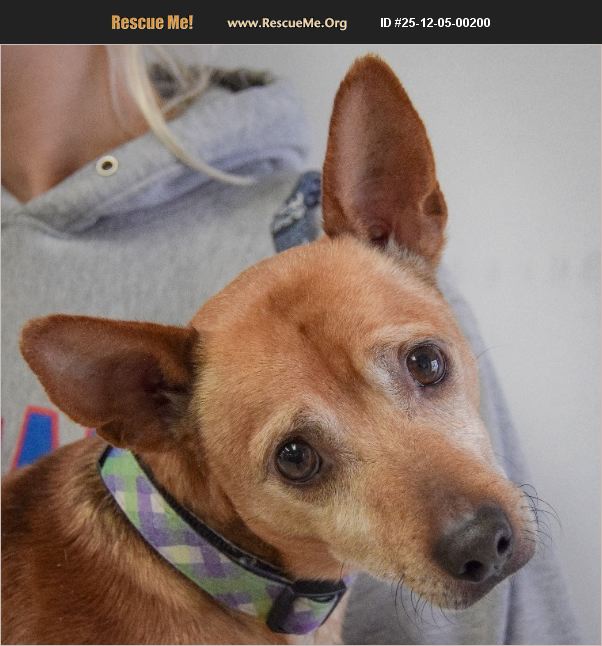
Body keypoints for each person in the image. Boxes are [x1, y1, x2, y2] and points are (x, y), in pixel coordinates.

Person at [1, 45, 581, 644]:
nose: (468, 529)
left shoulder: (362, 261)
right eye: (300, 458)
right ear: (147, 404)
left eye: (424, 365)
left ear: (401, 220)